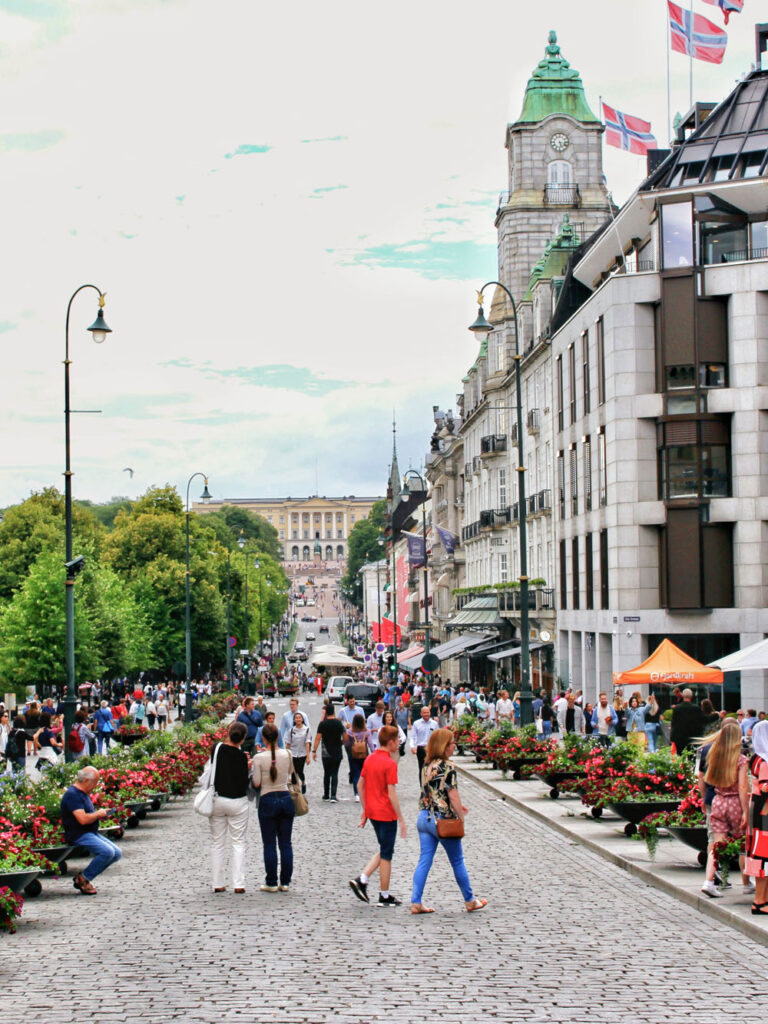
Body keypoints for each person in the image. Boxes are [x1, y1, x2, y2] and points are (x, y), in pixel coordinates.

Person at [410, 728, 487, 914]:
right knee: (457, 861)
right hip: (442, 820)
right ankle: (470, 900)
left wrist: (459, 807)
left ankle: (416, 901)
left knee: (424, 861)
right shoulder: (447, 766)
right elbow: (452, 795)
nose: (454, 746)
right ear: (444, 746)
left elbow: (433, 792)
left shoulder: (427, 765)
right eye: (452, 743)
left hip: (424, 817)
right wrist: (460, 814)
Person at [349, 725, 407, 908]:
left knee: (384, 848)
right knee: (387, 854)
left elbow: (360, 786)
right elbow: (391, 793)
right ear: (390, 742)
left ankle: (363, 879)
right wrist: (402, 819)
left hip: (373, 812)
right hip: (386, 813)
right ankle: (383, 894)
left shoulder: (370, 759)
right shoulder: (390, 763)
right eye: (397, 740)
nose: (399, 743)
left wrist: (365, 810)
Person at [701, 719, 750, 898]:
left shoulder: (714, 755)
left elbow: (707, 780)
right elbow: (743, 787)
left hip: (718, 800)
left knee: (717, 845)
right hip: (734, 801)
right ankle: (746, 882)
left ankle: (709, 881)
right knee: (743, 843)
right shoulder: (741, 759)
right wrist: (745, 811)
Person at [61, 766, 122, 895]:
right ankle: (84, 878)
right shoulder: (73, 795)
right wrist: (98, 814)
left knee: (116, 852)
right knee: (107, 852)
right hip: (78, 834)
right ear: (87, 781)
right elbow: (82, 819)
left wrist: (100, 813)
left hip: (89, 832)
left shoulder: (82, 794)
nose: (95, 786)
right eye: (95, 783)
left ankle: (85, 877)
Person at [252, 723, 295, 892]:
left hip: (267, 798)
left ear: (263, 738)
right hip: (285, 797)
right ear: (278, 737)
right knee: (286, 843)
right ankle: (285, 882)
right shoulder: (288, 754)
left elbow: (256, 782)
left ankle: (271, 881)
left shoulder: (259, 758)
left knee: (269, 843)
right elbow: (290, 774)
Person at [209, 721, 250, 893]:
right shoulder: (242, 757)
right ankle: (238, 883)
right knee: (238, 842)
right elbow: (243, 780)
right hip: (237, 801)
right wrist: (247, 765)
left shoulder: (216, 749)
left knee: (217, 842)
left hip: (218, 799)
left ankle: (218, 883)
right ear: (242, 739)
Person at [745, 720, 768, 915]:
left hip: (758, 811)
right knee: (764, 857)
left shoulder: (755, 758)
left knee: (759, 855)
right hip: (765, 815)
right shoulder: (764, 761)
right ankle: (760, 900)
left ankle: (761, 899)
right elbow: (765, 787)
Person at [313, 703, 345, 802]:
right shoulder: (339, 723)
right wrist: (341, 743)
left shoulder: (322, 724)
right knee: (335, 773)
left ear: (326, 712)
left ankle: (326, 794)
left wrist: (314, 750)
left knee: (326, 773)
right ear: (334, 711)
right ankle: (333, 796)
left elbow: (318, 738)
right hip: (337, 750)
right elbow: (346, 736)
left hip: (325, 751)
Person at [344, 713, 372, 800]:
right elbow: (371, 744)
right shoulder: (366, 732)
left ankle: (357, 794)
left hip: (353, 755)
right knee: (365, 775)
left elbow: (346, 743)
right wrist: (373, 754)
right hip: (364, 755)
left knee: (356, 774)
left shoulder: (350, 732)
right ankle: (364, 791)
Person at [670, 688, 704, 755]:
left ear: (683, 696)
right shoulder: (696, 708)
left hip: (680, 737)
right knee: (691, 757)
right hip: (692, 738)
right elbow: (701, 722)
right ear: (691, 696)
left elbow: (674, 723)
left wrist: (672, 738)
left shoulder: (677, 708)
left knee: (680, 756)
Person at [285, 712, 311, 794]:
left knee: (300, 770)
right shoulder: (291, 730)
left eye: (300, 718)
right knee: (293, 771)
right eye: (296, 718)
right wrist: (286, 755)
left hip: (302, 753)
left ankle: (303, 782)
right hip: (293, 753)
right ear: (294, 720)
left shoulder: (306, 729)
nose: (298, 719)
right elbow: (288, 743)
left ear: (302, 719)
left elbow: (307, 743)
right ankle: (296, 789)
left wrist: (308, 756)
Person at [410, 705, 438, 775]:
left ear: (430, 713)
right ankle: (422, 784)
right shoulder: (416, 723)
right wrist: (412, 746)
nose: (426, 714)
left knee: (431, 768)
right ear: (421, 714)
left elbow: (438, 736)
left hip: (431, 748)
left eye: (427, 712)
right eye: (424, 712)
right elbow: (412, 737)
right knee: (422, 768)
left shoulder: (434, 724)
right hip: (421, 748)